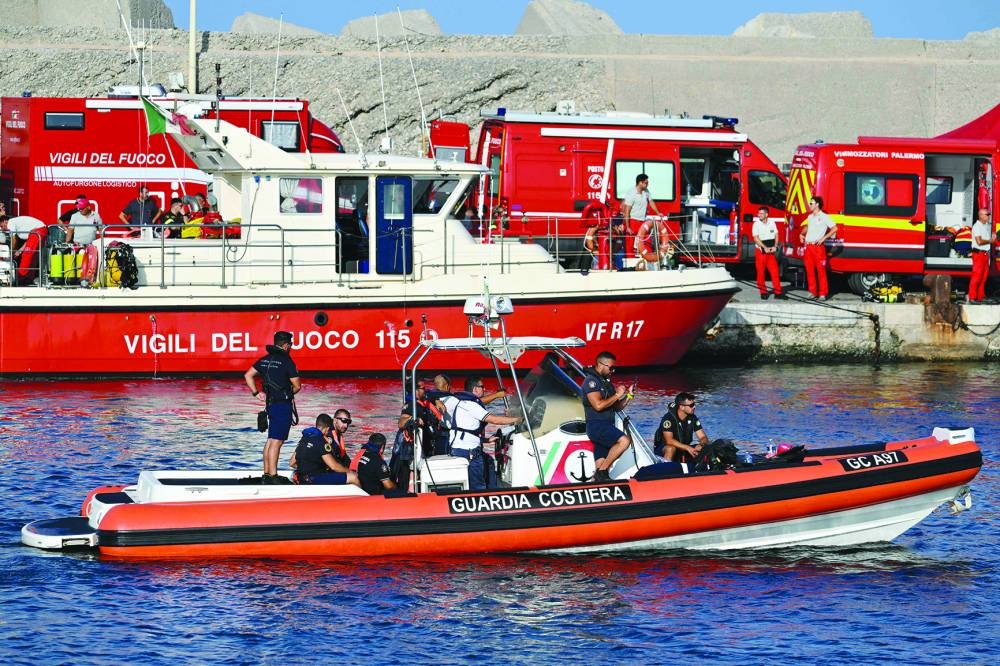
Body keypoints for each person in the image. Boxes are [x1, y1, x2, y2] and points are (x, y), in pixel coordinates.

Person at [442, 376, 522, 491]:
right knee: (477, 485)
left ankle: (494, 492)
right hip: (468, 452)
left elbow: (468, 429)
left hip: (461, 448)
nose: (484, 389)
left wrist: (486, 440)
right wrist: (517, 419)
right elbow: (494, 420)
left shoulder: (463, 402)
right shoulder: (471, 405)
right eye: (482, 387)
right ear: (475, 389)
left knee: (488, 462)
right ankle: (486, 496)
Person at [244, 330, 301, 483]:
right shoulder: (287, 362)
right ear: (286, 345)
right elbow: (297, 385)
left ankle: (267, 473)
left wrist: (256, 393)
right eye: (291, 344)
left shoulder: (265, 360)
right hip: (282, 405)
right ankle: (273, 476)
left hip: (270, 405)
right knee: (277, 441)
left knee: (270, 440)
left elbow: (248, 375)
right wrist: (288, 394)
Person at [581, 350, 634, 482]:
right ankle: (601, 473)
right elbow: (598, 405)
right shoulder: (591, 382)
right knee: (624, 441)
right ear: (600, 365)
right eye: (611, 367)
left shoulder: (606, 382)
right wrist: (616, 395)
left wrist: (628, 396)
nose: (613, 371)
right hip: (597, 425)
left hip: (607, 425)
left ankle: (598, 480)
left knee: (602, 464)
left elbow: (617, 407)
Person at [289, 413, 359, 486]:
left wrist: (306, 468)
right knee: (353, 477)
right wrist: (350, 472)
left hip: (301, 478)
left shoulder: (304, 438)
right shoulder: (321, 441)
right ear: (327, 428)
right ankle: (362, 496)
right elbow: (334, 466)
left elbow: (292, 463)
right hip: (314, 479)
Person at [799, 196, 838, 300]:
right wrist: (801, 234)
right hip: (808, 246)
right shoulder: (810, 217)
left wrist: (823, 238)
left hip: (818, 247)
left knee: (821, 270)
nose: (810, 205)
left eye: (811, 203)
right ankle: (812, 292)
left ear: (817, 204)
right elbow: (807, 227)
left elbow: (834, 228)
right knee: (809, 270)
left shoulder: (824, 216)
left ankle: (822, 293)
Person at [653, 392, 709, 462]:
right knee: (671, 449)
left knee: (704, 448)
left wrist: (701, 444)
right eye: (691, 405)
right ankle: (666, 469)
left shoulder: (693, 418)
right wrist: (687, 448)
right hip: (663, 449)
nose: (694, 407)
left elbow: (703, 437)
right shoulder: (668, 418)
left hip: (683, 448)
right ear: (682, 407)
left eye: (694, 404)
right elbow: (669, 440)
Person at [752, 206, 787, 300]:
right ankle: (763, 292)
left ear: (766, 214)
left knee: (775, 271)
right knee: (761, 273)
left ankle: (778, 293)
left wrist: (775, 246)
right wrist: (764, 247)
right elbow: (755, 238)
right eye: (758, 213)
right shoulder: (756, 224)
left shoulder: (772, 222)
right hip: (761, 252)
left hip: (771, 252)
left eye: (761, 213)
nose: (759, 215)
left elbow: (776, 234)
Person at [968, 208, 994, 303]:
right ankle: (972, 297)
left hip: (984, 254)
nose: (988, 216)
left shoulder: (984, 226)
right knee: (977, 276)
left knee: (983, 277)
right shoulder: (977, 226)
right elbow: (979, 242)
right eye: (987, 215)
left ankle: (980, 296)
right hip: (979, 253)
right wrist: (990, 241)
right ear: (981, 215)